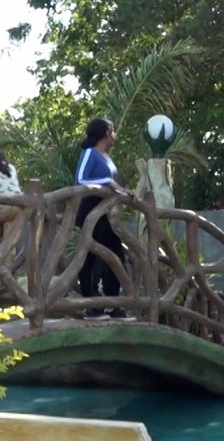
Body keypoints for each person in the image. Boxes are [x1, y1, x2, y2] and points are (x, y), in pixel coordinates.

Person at [75, 117, 135, 320]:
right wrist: (109, 181)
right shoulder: (89, 153)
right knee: (89, 257)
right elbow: (80, 180)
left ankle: (112, 303)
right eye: (112, 131)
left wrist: (123, 191)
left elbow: (111, 183)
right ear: (106, 133)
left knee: (116, 255)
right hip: (91, 210)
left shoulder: (107, 157)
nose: (115, 135)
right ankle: (91, 306)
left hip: (107, 212)